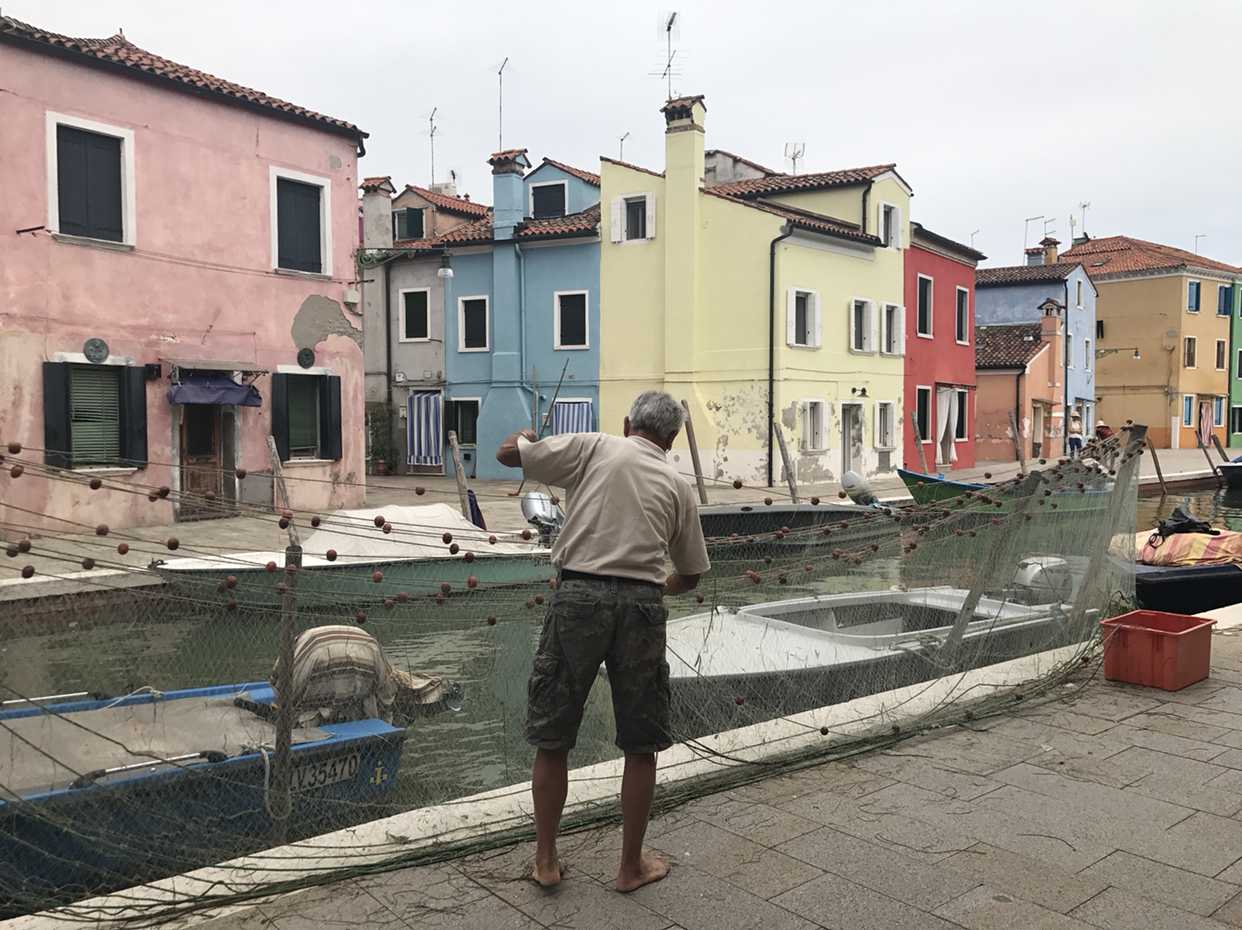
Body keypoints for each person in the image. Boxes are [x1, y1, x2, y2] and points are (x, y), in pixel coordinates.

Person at [496, 390, 710, 893]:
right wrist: (653, 589)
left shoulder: (593, 446)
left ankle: (546, 861)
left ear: (627, 423)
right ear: (671, 439)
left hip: (577, 597)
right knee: (641, 743)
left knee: (553, 737)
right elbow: (692, 576)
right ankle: (630, 867)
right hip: (642, 605)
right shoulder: (678, 486)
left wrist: (527, 436)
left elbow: (507, 454)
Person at [269, 624, 457, 727]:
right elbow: (382, 711)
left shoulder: (378, 661)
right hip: (323, 660)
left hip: (310, 648)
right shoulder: (383, 681)